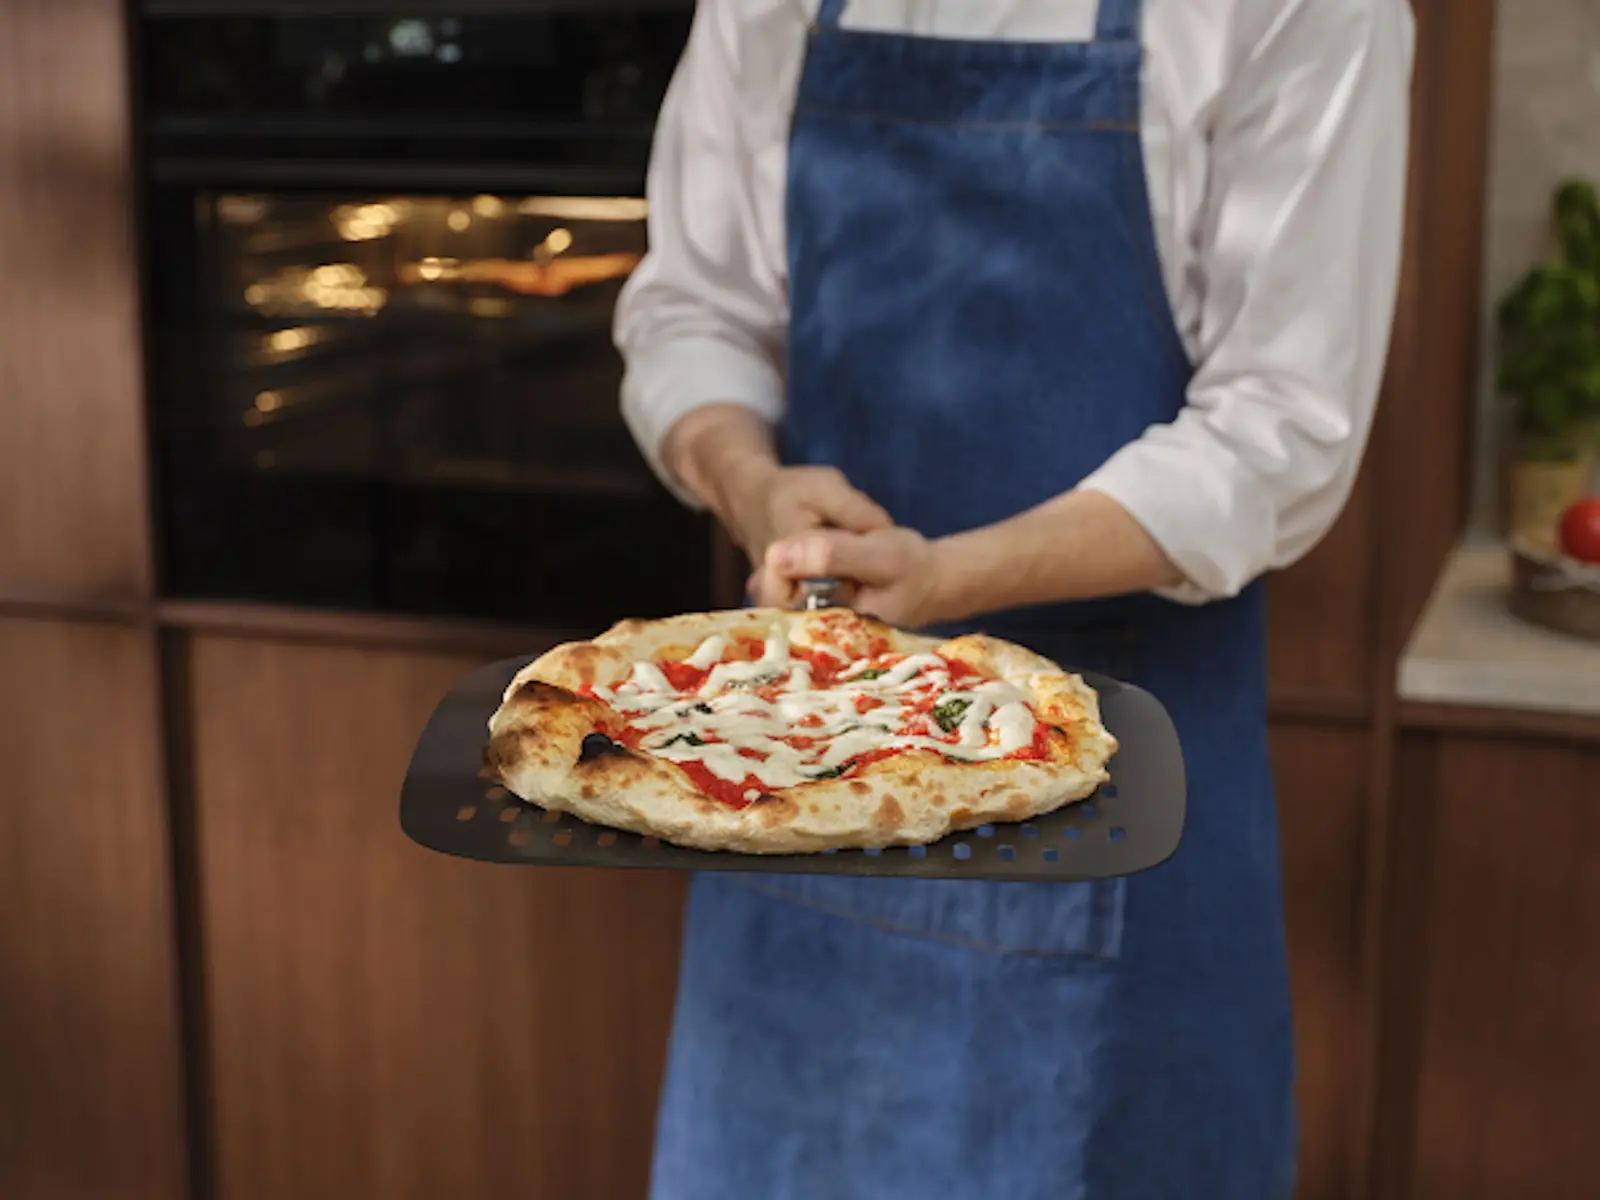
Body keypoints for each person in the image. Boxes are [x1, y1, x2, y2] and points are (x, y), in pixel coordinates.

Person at [614, 0, 1412, 1195]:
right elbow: (695, 308)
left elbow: (1280, 429)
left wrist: (947, 578)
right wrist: (753, 483)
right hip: (784, 800)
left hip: (1112, 827)